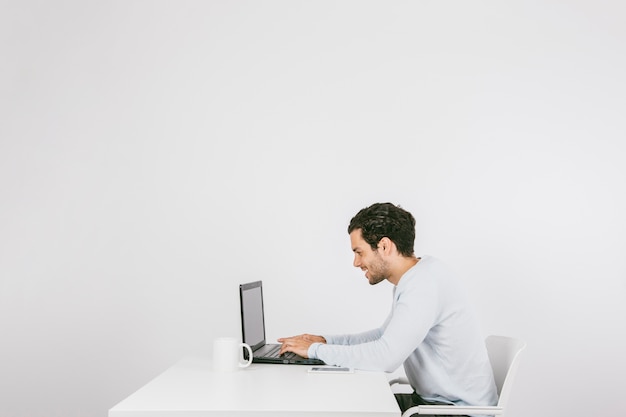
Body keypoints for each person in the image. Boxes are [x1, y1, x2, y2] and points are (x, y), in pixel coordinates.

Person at [278, 202, 498, 416]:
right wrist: (325, 341)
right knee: (352, 403)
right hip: (435, 405)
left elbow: (386, 358)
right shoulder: (419, 276)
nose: (356, 262)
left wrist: (313, 351)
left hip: (455, 412)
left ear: (384, 246)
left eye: (359, 252)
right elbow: (384, 336)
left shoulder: (423, 284)